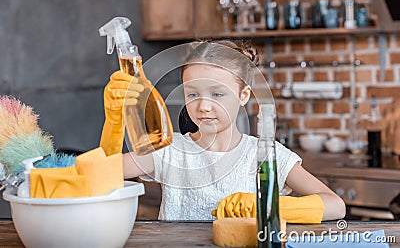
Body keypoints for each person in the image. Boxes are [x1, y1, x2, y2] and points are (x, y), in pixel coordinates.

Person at [100, 40, 346, 221]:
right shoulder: (171, 151)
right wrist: (113, 122)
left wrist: (267, 206)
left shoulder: (265, 155)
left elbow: (336, 205)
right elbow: (101, 174)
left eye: (217, 94)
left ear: (243, 95)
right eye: (193, 94)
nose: (203, 106)